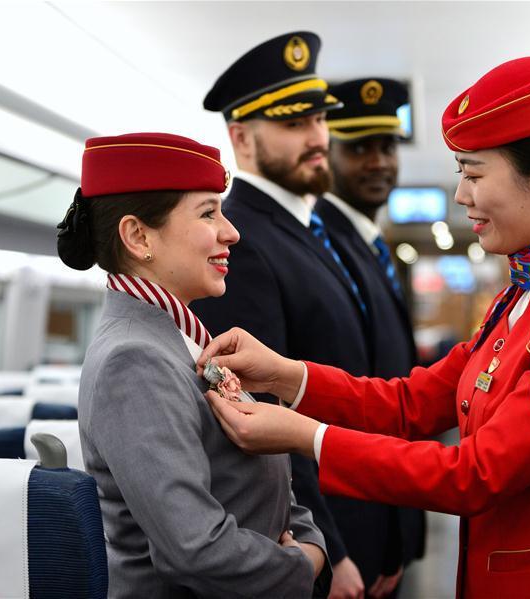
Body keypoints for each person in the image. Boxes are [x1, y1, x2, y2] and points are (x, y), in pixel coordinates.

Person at [198, 56, 530, 598]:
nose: (461, 195)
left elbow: (476, 474)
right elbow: (410, 404)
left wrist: (306, 437)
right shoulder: (527, 292)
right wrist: (286, 376)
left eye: (472, 173)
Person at [56, 132, 329, 598]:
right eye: (208, 213)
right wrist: (302, 564)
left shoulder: (180, 338)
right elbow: (195, 548)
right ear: (138, 236)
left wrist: (310, 540)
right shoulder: (133, 359)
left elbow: (268, 479)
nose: (232, 231)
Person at [193, 31, 404, 599]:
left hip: (368, 514)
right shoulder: (241, 242)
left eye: (319, 121)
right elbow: (261, 417)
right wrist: (332, 551)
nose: (317, 138)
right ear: (241, 138)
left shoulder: (310, 232)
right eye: (294, 124)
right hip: (323, 537)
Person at [316, 77, 426, 597]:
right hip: (348, 521)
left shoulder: (371, 246)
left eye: (386, 146)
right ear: (326, 155)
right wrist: (336, 547)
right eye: (359, 148)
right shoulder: (323, 246)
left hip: (382, 518)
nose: (379, 161)